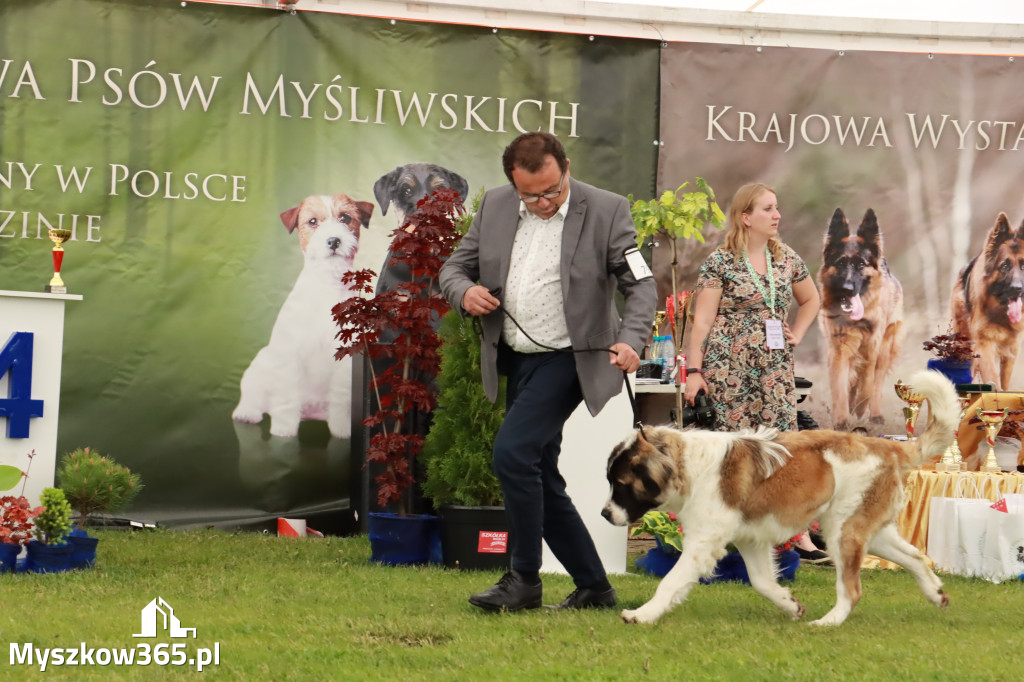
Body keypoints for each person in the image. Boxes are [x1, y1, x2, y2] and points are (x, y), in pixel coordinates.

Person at [439, 132, 657, 611]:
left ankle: (523, 578)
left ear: (566, 167)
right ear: (512, 184)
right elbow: (455, 268)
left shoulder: (607, 209)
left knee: (512, 454)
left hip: (571, 358)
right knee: (538, 471)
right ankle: (595, 588)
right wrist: (464, 292)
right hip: (516, 357)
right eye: (530, 194)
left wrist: (632, 339)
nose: (542, 202)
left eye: (552, 190)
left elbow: (640, 284)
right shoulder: (495, 206)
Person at [682, 182, 828, 563]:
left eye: (777, 208)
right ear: (745, 217)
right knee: (734, 448)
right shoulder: (721, 261)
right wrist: (694, 371)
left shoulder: (786, 258)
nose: (777, 215)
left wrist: (798, 330)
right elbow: (701, 321)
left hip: (774, 366)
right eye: (767, 209)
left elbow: (811, 299)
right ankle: (729, 530)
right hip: (729, 363)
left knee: (781, 447)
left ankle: (796, 535)